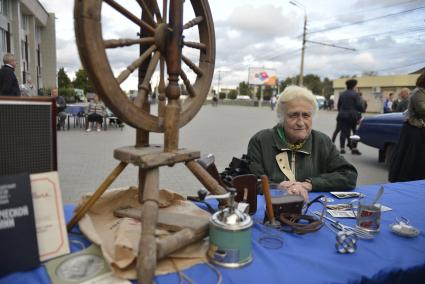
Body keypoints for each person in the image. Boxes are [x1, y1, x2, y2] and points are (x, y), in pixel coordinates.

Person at [247, 85, 357, 202]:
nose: (300, 123)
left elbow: (348, 175)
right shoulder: (261, 140)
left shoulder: (322, 141)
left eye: (306, 115)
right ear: (281, 117)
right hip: (272, 208)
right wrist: (279, 187)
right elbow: (251, 181)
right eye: (293, 115)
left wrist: (309, 184)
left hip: (312, 210)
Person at [389, 72, 425, 182]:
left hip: (418, 128)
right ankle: (408, 180)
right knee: (411, 157)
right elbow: (422, 110)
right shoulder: (419, 92)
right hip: (414, 129)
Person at [336, 79, 364, 155]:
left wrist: (342, 112)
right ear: (354, 85)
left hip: (343, 115)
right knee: (355, 132)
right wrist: (362, 110)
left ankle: (342, 148)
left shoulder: (342, 94)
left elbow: (339, 106)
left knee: (343, 132)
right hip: (353, 116)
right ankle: (354, 148)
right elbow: (359, 106)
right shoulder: (356, 94)